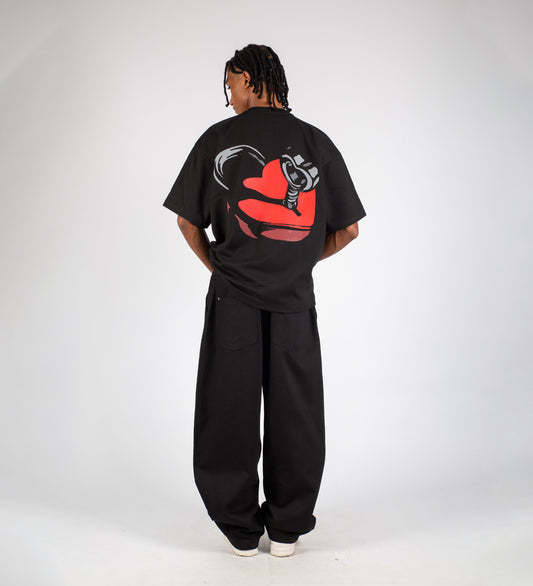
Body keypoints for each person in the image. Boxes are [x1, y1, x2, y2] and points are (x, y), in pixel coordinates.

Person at [162, 44, 366, 557]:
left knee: (225, 412)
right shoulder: (315, 142)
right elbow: (348, 229)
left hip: (233, 299)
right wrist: (299, 262)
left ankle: (239, 531)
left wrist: (220, 266)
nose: (228, 97)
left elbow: (187, 221)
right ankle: (287, 530)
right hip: (294, 302)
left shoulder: (218, 140)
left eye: (230, 84)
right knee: (296, 414)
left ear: (250, 79)